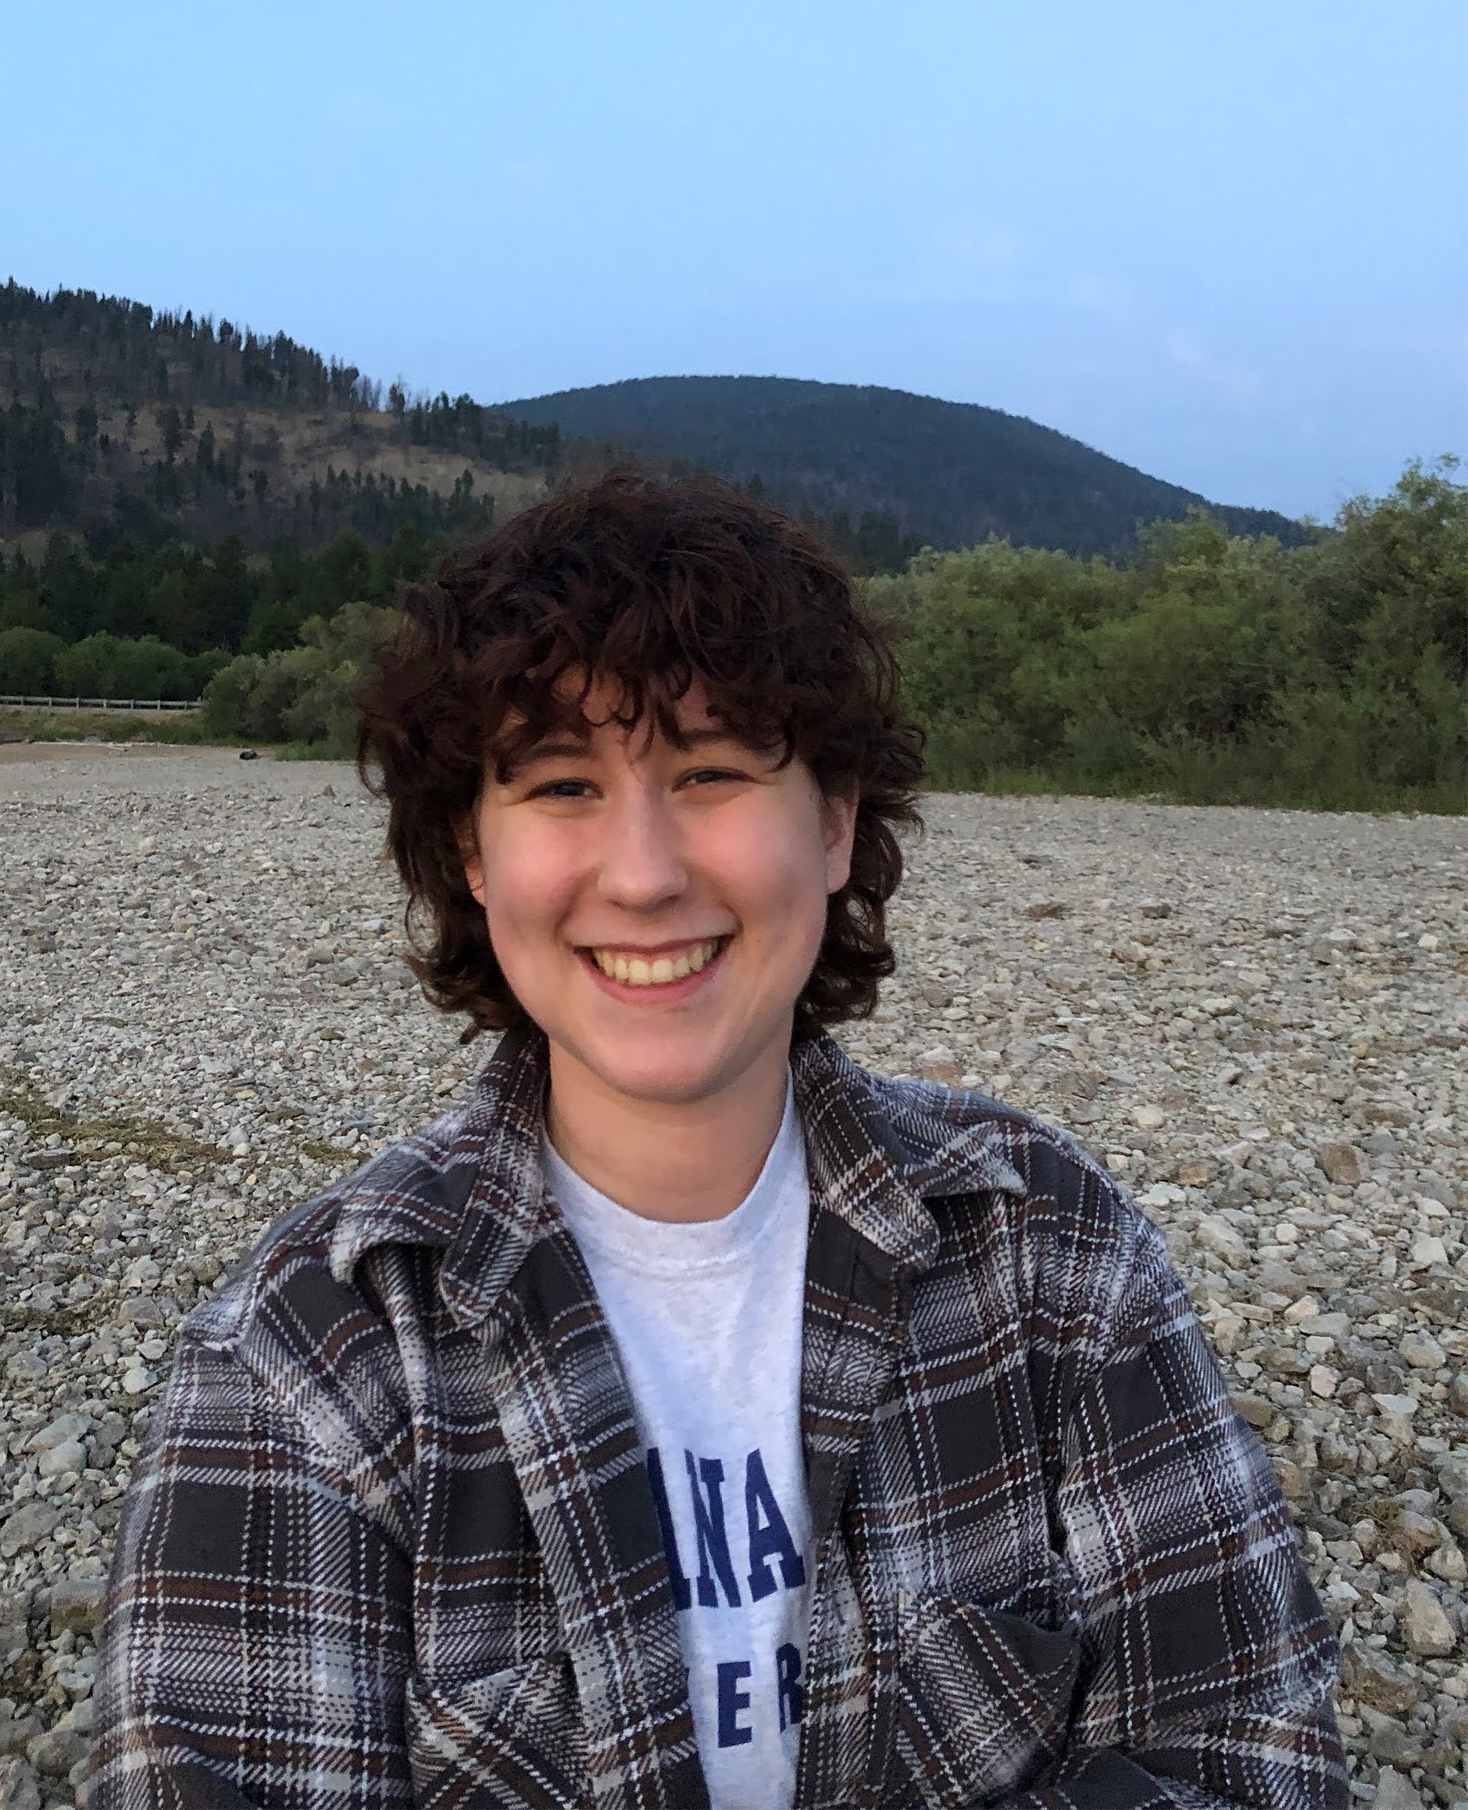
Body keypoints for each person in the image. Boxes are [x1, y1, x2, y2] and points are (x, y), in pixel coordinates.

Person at [90, 471, 1345, 1810]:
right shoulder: (311, 1355)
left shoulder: (1047, 1249)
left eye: (712, 772)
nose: (643, 873)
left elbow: (1246, 1751)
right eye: (563, 784)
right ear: (470, 849)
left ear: (837, 821)